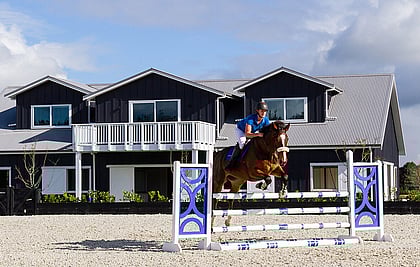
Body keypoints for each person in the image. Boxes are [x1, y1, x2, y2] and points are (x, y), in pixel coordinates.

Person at [225, 101, 270, 170]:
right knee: (242, 143)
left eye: (265, 111)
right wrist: (257, 134)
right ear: (257, 111)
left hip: (253, 131)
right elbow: (247, 134)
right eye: (262, 111)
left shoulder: (266, 120)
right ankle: (232, 163)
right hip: (241, 130)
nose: (263, 113)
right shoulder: (250, 119)